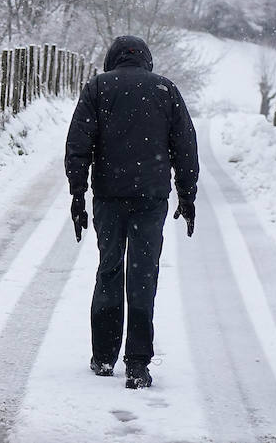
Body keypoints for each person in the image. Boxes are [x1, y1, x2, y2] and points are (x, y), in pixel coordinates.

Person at [64, 34, 199, 390]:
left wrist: (78, 195)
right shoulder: (165, 91)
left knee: (110, 270)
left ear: (112, 59)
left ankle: (105, 356)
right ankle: (138, 363)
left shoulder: (97, 88)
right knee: (142, 276)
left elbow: (78, 146)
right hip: (151, 200)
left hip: (108, 198)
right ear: (146, 60)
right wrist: (187, 197)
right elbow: (185, 148)